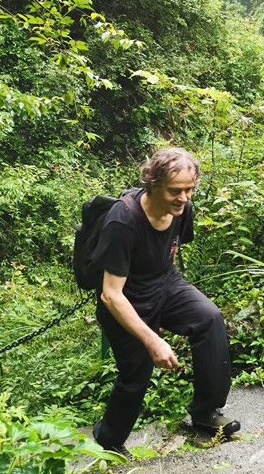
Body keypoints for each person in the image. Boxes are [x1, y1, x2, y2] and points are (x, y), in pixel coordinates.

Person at [90, 147, 239, 454]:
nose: (184, 198)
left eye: (190, 190)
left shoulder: (181, 208)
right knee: (137, 373)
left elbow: (167, 251)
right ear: (153, 184)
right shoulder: (123, 221)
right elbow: (110, 294)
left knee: (210, 319)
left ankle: (205, 413)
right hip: (125, 302)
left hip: (165, 284)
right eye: (175, 191)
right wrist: (154, 340)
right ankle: (109, 440)